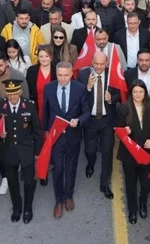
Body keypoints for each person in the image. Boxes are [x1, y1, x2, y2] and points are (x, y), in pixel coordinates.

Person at [0, 79, 43, 224]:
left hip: (27, 149)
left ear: (20, 92)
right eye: (9, 94)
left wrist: (38, 152)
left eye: (15, 94)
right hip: (8, 150)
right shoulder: (0, 105)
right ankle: (17, 208)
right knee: (12, 182)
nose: (12, 97)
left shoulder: (29, 106)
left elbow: (37, 130)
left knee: (29, 181)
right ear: (6, 93)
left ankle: (27, 208)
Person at [43, 61, 89, 218]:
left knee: (71, 168)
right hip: (55, 137)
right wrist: (45, 132)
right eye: (60, 75)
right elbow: (45, 111)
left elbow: (86, 111)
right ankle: (59, 200)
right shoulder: (48, 88)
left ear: (71, 74)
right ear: (56, 74)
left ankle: (69, 195)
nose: (63, 79)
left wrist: (79, 121)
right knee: (58, 169)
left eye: (66, 75)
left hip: (73, 135)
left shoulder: (80, 89)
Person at [116, 79, 150, 224]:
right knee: (131, 184)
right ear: (131, 93)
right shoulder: (123, 108)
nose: (138, 94)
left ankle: (143, 202)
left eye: (141, 91)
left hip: (147, 152)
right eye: (135, 92)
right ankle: (133, 210)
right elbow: (119, 129)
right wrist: (124, 131)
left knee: (146, 183)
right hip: (130, 153)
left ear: (145, 93)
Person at [79, 51, 119, 199]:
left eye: (102, 64)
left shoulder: (112, 75)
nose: (99, 66)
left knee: (107, 152)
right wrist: (88, 87)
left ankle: (104, 184)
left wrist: (111, 99)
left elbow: (119, 95)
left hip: (107, 121)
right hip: (90, 120)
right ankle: (90, 163)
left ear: (107, 63)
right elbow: (79, 98)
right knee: (90, 150)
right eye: (96, 63)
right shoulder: (83, 76)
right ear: (91, 61)